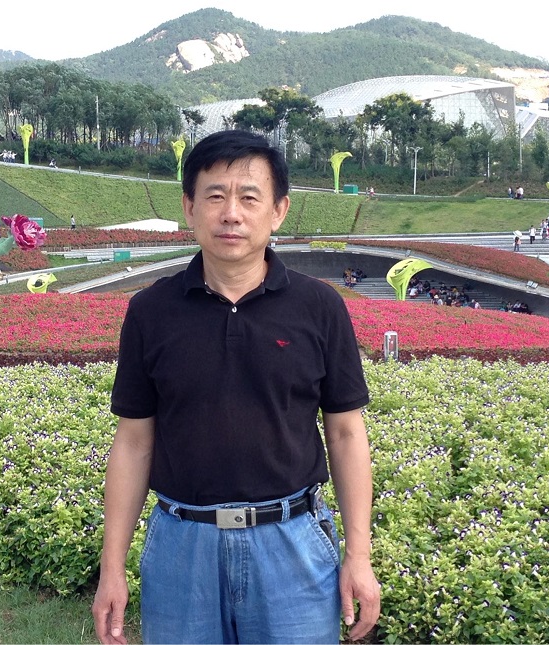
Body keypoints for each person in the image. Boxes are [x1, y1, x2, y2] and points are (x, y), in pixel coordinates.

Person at [92, 130, 380, 645]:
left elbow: (345, 433)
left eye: (249, 197)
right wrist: (112, 568)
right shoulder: (151, 311)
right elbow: (134, 442)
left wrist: (359, 556)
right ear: (189, 207)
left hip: (291, 544)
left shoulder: (319, 307)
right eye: (215, 196)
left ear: (278, 211)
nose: (231, 214)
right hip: (181, 546)